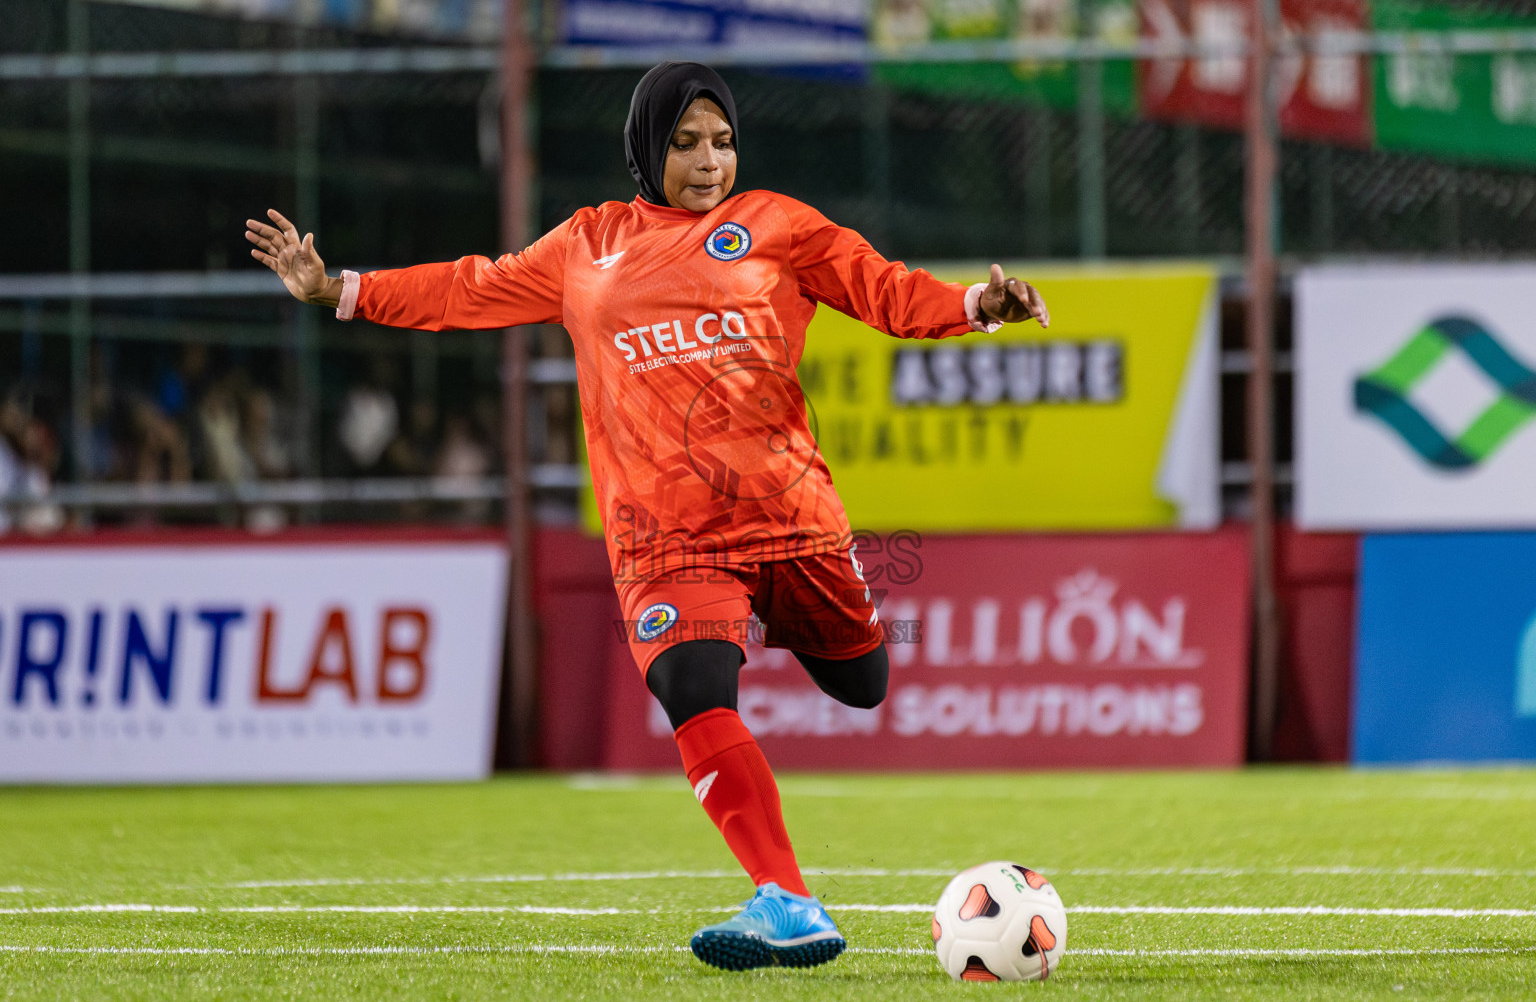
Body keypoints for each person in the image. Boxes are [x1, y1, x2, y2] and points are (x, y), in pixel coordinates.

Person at [246, 61, 1049, 972]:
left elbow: (888, 291)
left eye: (722, 141)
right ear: (645, 147)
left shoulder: (780, 226)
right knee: (693, 691)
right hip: (664, 540)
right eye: (685, 143)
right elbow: (470, 289)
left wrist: (977, 305)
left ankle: (788, 690)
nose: (709, 162)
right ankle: (786, 901)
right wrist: (341, 289)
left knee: (862, 681)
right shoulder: (588, 246)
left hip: (790, 520)